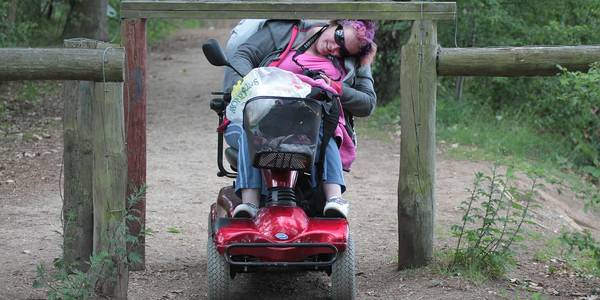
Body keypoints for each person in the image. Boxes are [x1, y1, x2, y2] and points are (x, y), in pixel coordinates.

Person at [223, 19, 377, 219]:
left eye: (343, 51)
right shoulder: (283, 32)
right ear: (335, 23)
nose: (334, 48)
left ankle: (334, 199)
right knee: (250, 127)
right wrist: (249, 85)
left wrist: (336, 86)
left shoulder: (354, 59)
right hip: (263, 113)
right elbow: (243, 55)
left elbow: (367, 103)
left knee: (328, 130)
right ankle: (249, 202)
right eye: (338, 38)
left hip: (311, 121)